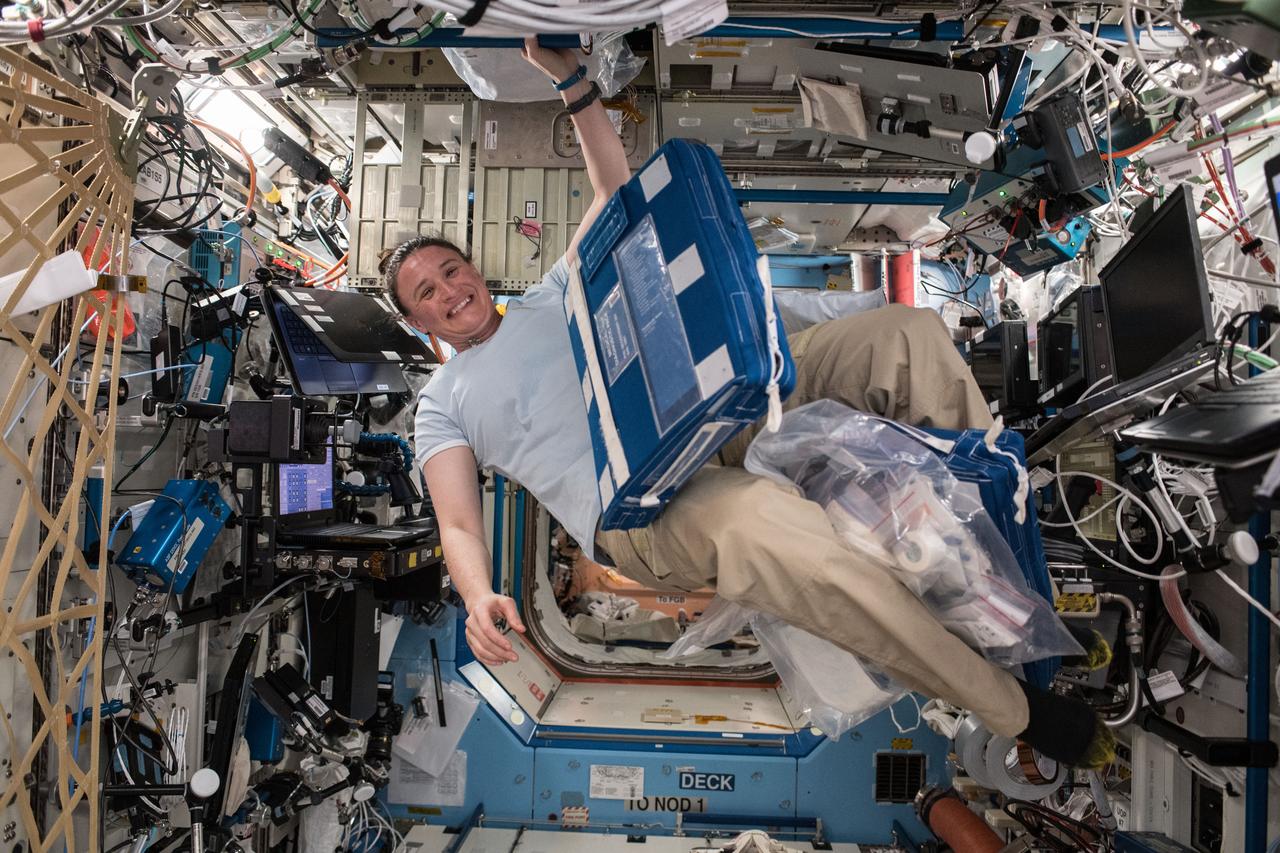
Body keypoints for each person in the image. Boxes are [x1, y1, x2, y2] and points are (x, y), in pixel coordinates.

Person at [385, 38, 1114, 770]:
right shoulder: (442, 403)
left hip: (703, 425)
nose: (451, 291)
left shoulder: (550, 297)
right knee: (777, 528)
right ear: (420, 321)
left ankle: (1001, 554)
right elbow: (456, 521)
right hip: (638, 515)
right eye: (429, 293)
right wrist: (477, 594)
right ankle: (1018, 707)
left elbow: (613, 190)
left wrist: (572, 81)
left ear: (473, 267)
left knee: (906, 334)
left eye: (452, 269)